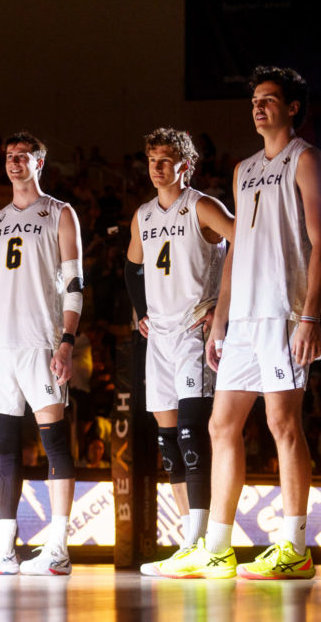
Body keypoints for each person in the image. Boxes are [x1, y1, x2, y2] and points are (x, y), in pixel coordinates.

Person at [177, 66, 321, 579]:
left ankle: (295, 547)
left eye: (269, 99)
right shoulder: (243, 170)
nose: (258, 106)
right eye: (254, 100)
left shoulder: (306, 160)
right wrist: (220, 321)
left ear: (292, 108)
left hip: (284, 314)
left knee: (283, 424)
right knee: (222, 425)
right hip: (242, 317)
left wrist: (310, 316)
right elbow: (236, 253)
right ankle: (218, 548)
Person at [0, 132, 83, 576]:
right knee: (4, 450)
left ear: (39, 163)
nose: (15, 162)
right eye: (9, 156)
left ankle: (59, 548)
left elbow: (75, 285)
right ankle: (3, 549)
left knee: (54, 444)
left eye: (24, 156)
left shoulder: (60, 213)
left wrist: (67, 342)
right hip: (1, 349)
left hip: (41, 343)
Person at [123, 127, 232, 576]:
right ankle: (189, 541)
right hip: (159, 336)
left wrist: (222, 310)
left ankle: (202, 542)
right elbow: (133, 266)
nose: (157, 167)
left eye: (166, 160)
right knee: (168, 444)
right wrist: (139, 311)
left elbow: (245, 243)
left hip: (193, 330)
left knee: (191, 434)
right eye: (152, 160)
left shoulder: (203, 206)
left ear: (186, 165)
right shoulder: (143, 215)